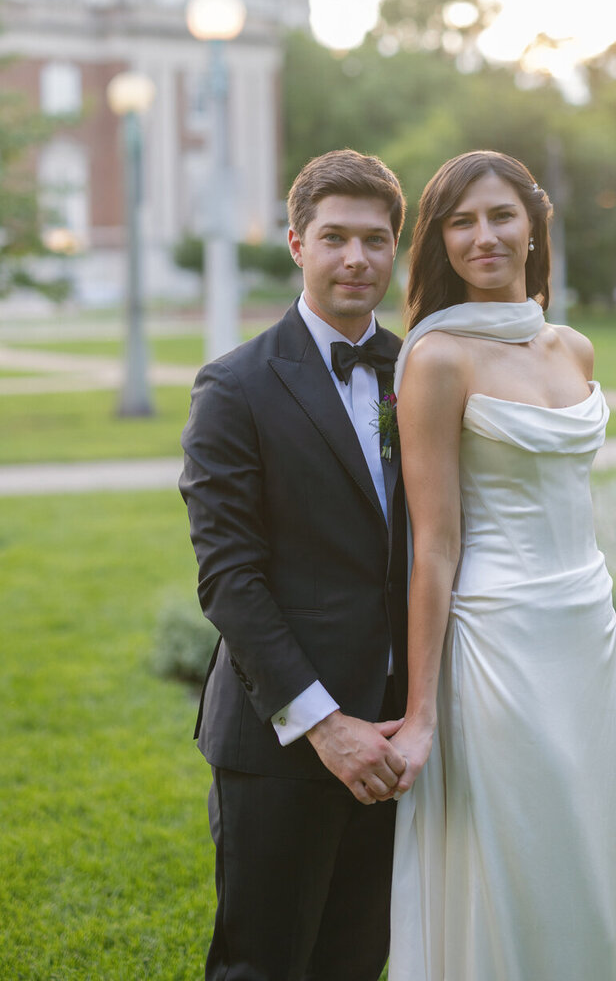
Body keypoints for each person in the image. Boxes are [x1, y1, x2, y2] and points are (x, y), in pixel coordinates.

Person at [387, 150, 616, 981]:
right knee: (518, 851)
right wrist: (420, 712)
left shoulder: (574, 348)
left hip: (584, 627)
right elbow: (435, 544)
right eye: (460, 222)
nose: (483, 236)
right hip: (497, 637)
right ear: (440, 241)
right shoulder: (438, 358)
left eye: (500, 216)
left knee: (583, 849)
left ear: (533, 224)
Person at [179, 148, 409, 981]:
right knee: (264, 964)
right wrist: (324, 723)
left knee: (357, 959)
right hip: (281, 737)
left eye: (376, 240)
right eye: (335, 237)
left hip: (396, 731)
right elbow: (229, 581)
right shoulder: (234, 387)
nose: (357, 258)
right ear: (295, 244)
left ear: (395, 247)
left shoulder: (418, 373)